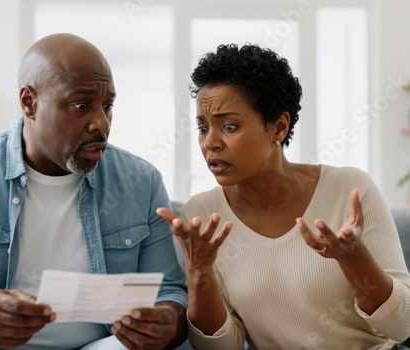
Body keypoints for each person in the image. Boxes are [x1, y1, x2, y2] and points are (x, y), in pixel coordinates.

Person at [0, 33, 188, 350]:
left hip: (97, 345)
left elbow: (170, 291)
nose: (101, 123)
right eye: (82, 105)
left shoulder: (142, 180)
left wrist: (165, 319)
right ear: (30, 102)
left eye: (107, 105)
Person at [157, 43, 410, 349]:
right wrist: (199, 274)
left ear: (278, 127)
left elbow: (403, 325)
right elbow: (217, 346)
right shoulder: (203, 213)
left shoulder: (349, 188)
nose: (210, 143)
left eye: (229, 126)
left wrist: (352, 258)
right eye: (202, 127)